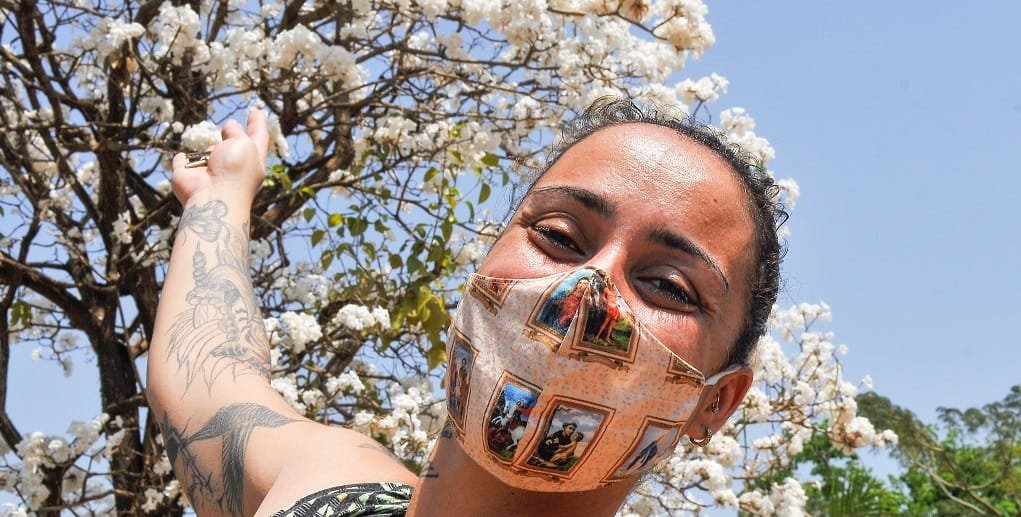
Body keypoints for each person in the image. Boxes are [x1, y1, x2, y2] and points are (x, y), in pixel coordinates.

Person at [148, 97, 785, 516]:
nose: (588, 292)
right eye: (559, 237)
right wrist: (219, 196)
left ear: (715, 403)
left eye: (670, 286)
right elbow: (206, 371)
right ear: (479, 273)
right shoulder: (319, 485)